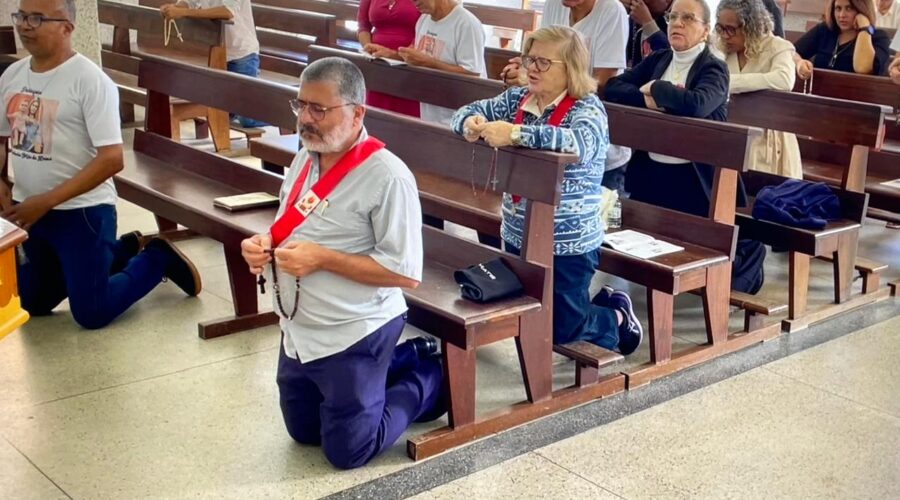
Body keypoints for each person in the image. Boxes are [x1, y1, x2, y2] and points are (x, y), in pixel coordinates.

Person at [240, 57, 444, 470]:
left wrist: (322, 260)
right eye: (301, 106)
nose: (307, 119)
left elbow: (405, 273)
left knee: (347, 451)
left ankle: (430, 378)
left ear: (357, 113)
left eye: (320, 109)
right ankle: (396, 364)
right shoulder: (304, 158)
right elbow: (288, 226)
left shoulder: (388, 176)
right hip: (300, 325)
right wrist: (263, 243)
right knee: (303, 432)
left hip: (355, 328)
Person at [1, 0, 201, 329]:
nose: (25, 26)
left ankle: (156, 257)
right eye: (21, 17)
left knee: (92, 313)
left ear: (67, 27)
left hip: (83, 211)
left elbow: (112, 159)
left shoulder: (89, 81)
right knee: (31, 302)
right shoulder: (13, 76)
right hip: (30, 209)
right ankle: (121, 249)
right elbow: (2, 138)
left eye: (36, 18)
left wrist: (47, 201)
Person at [452, 27, 644, 355]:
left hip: (570, 239)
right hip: (518, 229)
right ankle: (595, 308)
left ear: (570, 67)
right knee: (531, 312)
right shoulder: (519, 98)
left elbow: (577, 144)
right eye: (529, 59)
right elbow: (464, 113)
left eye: (543, 62)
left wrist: (515, 134)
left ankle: (616, 318)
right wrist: (469, 124)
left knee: (562, 329)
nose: (531, 69)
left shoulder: (587, 108)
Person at [605, 0, 766, 294]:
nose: (677, 23)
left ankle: (737, 272)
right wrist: (649, 101)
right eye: (673, 16)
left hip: (696, 182)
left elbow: (696, 104)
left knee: (714, 245)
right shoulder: (659, 59)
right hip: (653, 174)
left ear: (705, 30)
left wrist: (655, 89)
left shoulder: (714, 69)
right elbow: (614, 88)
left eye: (688, 18)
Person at [502, 0, 633, 193]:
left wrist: (537, 79)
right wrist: (524, 70)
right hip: (546, 138)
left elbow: (603, 82)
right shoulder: (554, 4)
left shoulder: (611, 11)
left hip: (593, 149)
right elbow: (541, 57)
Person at [716, 0, 801, 178]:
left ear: (750, 26)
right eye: (720, 28)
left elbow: (784, 80)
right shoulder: (723, 49)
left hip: (769, 138)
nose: (725, 35)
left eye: (730, 29)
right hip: (732, 132)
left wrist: (730, 83)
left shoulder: (777, 46)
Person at [159, 0, 265, 127]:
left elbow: (227, 12)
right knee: (221, 111)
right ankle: (239, 107)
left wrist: (183, 12)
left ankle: (285, 115)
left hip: (241, 55)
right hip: (214, 54)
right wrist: (173, 9)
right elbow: (189, 2)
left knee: (247, 120)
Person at [395, 0, 485, 124]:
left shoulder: (466, 23)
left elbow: (472, 74)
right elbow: (418, 58)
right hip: (430, 108)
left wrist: (429, 63)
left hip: (459, 117)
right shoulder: (423, 19)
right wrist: (389, 54)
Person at [793, 0, 892, 79]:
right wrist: (799, 62)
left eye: (849, 8)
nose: (842, 15)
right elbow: (792, 52)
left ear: (862, 9)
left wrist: (864, 29)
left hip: (858, 100)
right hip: (819, 96)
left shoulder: (880, 37)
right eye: (838, 8)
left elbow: (862, 68)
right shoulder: (824, 30)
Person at [358, 0, 421, 117]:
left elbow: (426, 29)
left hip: (409, 63)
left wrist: (395, 55)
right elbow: (363, 25)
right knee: (377, 114)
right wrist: (368, 47)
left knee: (407, 117)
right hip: (377, 63)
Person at [623, 0, 672, 68]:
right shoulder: (637, 13)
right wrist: (618, 12)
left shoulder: (680, 17)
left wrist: (648, 24)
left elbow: (670, 60)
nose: (640, 3)